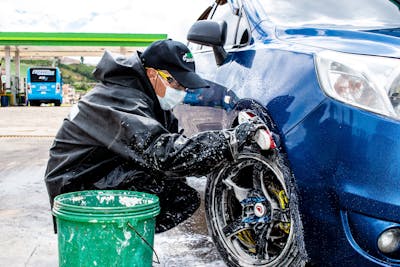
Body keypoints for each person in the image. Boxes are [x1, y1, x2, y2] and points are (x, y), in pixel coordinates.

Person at [44, 39, 260, 233]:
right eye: (176, 83)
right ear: (152, 74)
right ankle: (109, 240)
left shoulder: (148, 98)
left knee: (179, 192)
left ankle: (125, 239)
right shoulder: (119, 99)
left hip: (100, 171)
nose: (182, 90)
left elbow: (180, 156)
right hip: (76, 189)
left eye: (185, 86)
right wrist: (230, 140)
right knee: (167, 190)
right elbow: (164, 153)